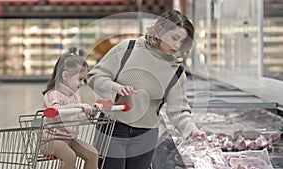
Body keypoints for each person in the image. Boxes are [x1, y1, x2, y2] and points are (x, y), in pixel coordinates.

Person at [87, 10, 206, 169]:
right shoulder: (128, 49)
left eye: (181, 41)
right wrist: (116, 88)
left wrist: (193, 130)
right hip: (113, 127)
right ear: (160, 30)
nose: (177, 45)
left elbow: (179, 110)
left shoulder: (176, 71)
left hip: (146, 135)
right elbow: (94, 77)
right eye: (174, 38)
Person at [40, 47, 99, 169]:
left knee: (92, 154)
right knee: (69, 156)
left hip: (70, 139)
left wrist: (90, 113)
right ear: (65, 76)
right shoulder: (53, 94)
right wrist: (79, 107)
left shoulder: (75, 96)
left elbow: (76, 116)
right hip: (50, 141)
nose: (82, 83)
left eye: (84, 79)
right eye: (80, 79)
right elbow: (56, 113)